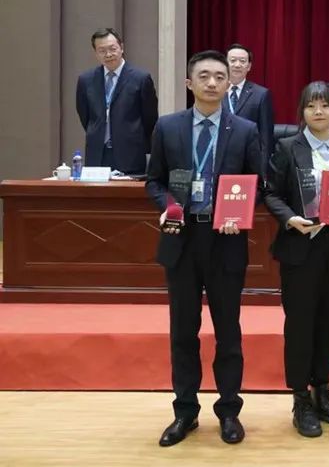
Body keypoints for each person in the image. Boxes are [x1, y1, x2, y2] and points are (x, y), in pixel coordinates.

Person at [145, 50, 263, 447]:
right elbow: (154, 181)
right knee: (183, 330)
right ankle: (185, 411)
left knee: (228, 331)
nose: (212, 83)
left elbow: (258, 184)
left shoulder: (244, 130)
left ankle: (229, 411)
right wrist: (168, 206)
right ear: (189, 83)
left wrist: (240, 213)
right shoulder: (168, 127)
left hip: (225, 241)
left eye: (219, 77)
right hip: (182, 239)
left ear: (229, 84)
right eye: (204, 76)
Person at [263, 81, 329, 438]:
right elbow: (271, 194)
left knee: (328, 323)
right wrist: (290, 218)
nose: (318, 111)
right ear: (303, 111)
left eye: (324, 105)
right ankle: (300, 399)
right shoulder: (287, 146)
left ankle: (322, 391)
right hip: (301, 246)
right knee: (300, 324)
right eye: (311, 106)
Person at [76, 27, 158, 174]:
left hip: (130, 154)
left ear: (121, 48)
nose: (108, 54)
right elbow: (85, 116)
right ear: (96, 53)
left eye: (112, 49)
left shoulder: (140, 78)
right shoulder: (86, 80)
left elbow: (150, 119)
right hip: (97, 154)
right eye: (102, 51)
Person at [224, 44, 275, 169]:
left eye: (242, 61)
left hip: (249, 160)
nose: (237, 65)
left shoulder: (261, 94)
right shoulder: (215, 91)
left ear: (249, 66)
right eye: (233, 60)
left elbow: (265, 138)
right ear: (225, 64)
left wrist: (263, 171)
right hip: (220, 158)